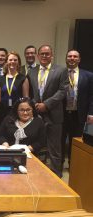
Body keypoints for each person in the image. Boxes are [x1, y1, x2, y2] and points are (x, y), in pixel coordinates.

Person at [28, 45, 69, 177]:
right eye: (42, 54)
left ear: (52, 55)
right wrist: (35, 104)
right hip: (36, 114)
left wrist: (46, 104)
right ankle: (36, 175)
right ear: (38, 56)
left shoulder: (61, 70)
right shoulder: (32, 71)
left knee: (54, 149)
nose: (44, 56)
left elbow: (63, 90)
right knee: (36, 146)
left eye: (47, 54)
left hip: (54, 115)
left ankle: (57, 177)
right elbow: (30, 92)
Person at [62, 49, 93, 165]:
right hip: (62, 113)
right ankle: (58, 165)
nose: (72, 58)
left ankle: (73, 165)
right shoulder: (60, 73)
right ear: (66, 59)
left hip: (79, 114)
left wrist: (91, 113)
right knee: (60, 141)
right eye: (69, 56)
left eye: (75, 56)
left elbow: (91, 96)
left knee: (75, 142)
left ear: (79, 59)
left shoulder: (89, 76)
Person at [0, 52, 29, 127]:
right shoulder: (0, 79)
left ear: (18, 62)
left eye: (15, 60)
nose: (13, 62)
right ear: (6, 61)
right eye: (10, 60)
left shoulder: (23, 78)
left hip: (17, 113)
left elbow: (26, 98)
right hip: (1, 112)